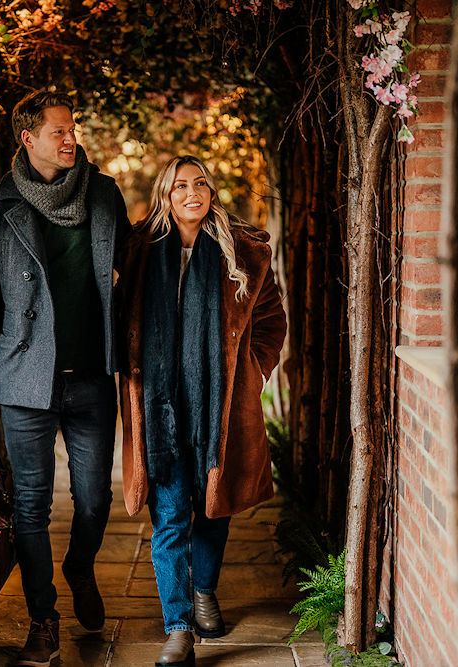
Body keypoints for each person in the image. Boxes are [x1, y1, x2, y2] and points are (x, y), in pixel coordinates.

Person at [0, 89, 131, 667]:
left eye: (72, 128)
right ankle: (42, 619)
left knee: (93, 498)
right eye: (58, 131)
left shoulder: (103, 196)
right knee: (31, 506)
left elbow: (132, 275)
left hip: (90, 377)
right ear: (27, 138)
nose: (69, 139)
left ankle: (80, 567)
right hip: (23, 380)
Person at [116, 155, 287, 667]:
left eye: (200, 184)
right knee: (170, 516)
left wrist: (252, 374)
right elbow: (120, 318)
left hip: (221, 406)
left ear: (210, 191)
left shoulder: (246, 253)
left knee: (214, 507)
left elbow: (271, 321)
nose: (192, 192)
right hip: (161, 408)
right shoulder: (140, 251)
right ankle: (178, 626)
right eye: (180, 186)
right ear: (166, 195)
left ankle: (205, 590)